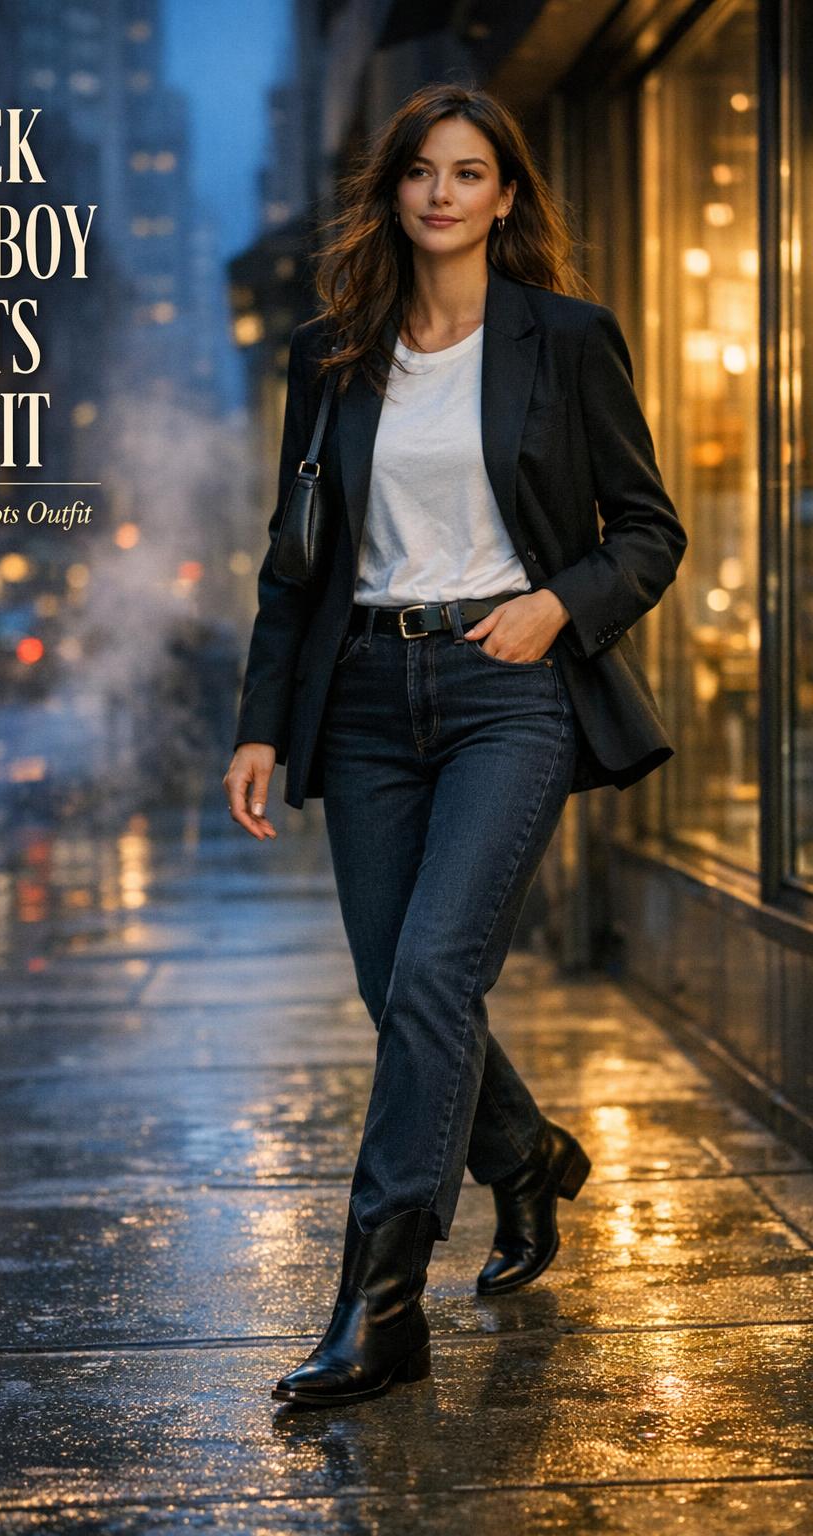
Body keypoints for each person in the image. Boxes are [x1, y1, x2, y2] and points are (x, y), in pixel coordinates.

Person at [222, 83, 687, 1408]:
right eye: (420, 171)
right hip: (364, 693)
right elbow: (293, 560)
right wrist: (262, 724)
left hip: (506, 689)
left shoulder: (567, 340)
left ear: (504, 196)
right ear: (394, 194)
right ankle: (525, 1152)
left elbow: (648, 529)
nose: (441, 193)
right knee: (401, 990)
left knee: (434, 968)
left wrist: (559, 604)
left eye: (468, 172)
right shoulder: (334, 355)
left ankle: (379, 1306)